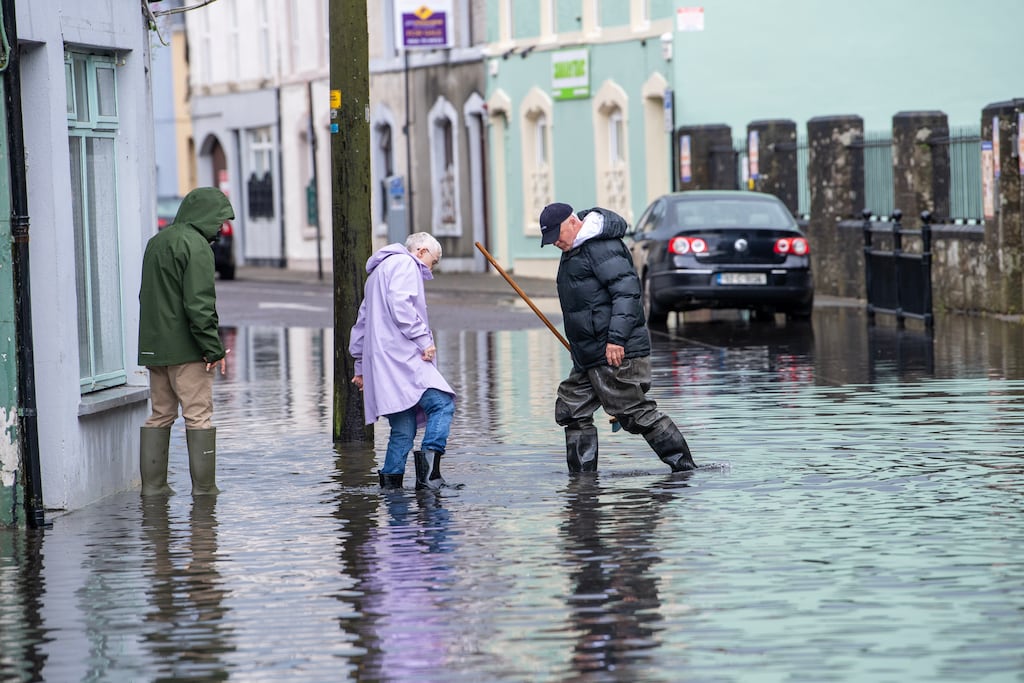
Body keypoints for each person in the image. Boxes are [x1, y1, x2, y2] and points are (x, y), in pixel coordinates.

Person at [538, 201, 698, 473]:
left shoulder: (601, 247)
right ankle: (583, 483)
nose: (554, 243)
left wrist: (616, 340)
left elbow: (627, 294)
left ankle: (684, 469)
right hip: (591, 354)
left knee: (634, 413)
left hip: (615, 351)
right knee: (571, 407)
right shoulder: (576, 248)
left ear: (572, 223)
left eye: (556, 235)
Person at [138, 187, 233, 496]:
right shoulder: (196, 246)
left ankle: (153, 489)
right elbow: (199, 305)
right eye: (219, 220)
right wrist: (213, 348)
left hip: (155, 349)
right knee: (199, 417)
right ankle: (205, 492)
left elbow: (147, 296)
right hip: (188, 351)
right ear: (204, 215)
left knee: (160, 415)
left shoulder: (157, 242)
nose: (221, 228)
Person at [349, 232, 456, 490]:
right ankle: (429, 477)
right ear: (420, 251)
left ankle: (390, 485)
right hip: (402, 357)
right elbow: (402, 307)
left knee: (403, 428)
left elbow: (362, 323)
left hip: (382, 363)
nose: (433, 266)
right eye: (434, 259)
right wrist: (424, 342)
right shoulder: (406, 263)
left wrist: (361, 367)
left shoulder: (376, 274)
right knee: (442, 404)